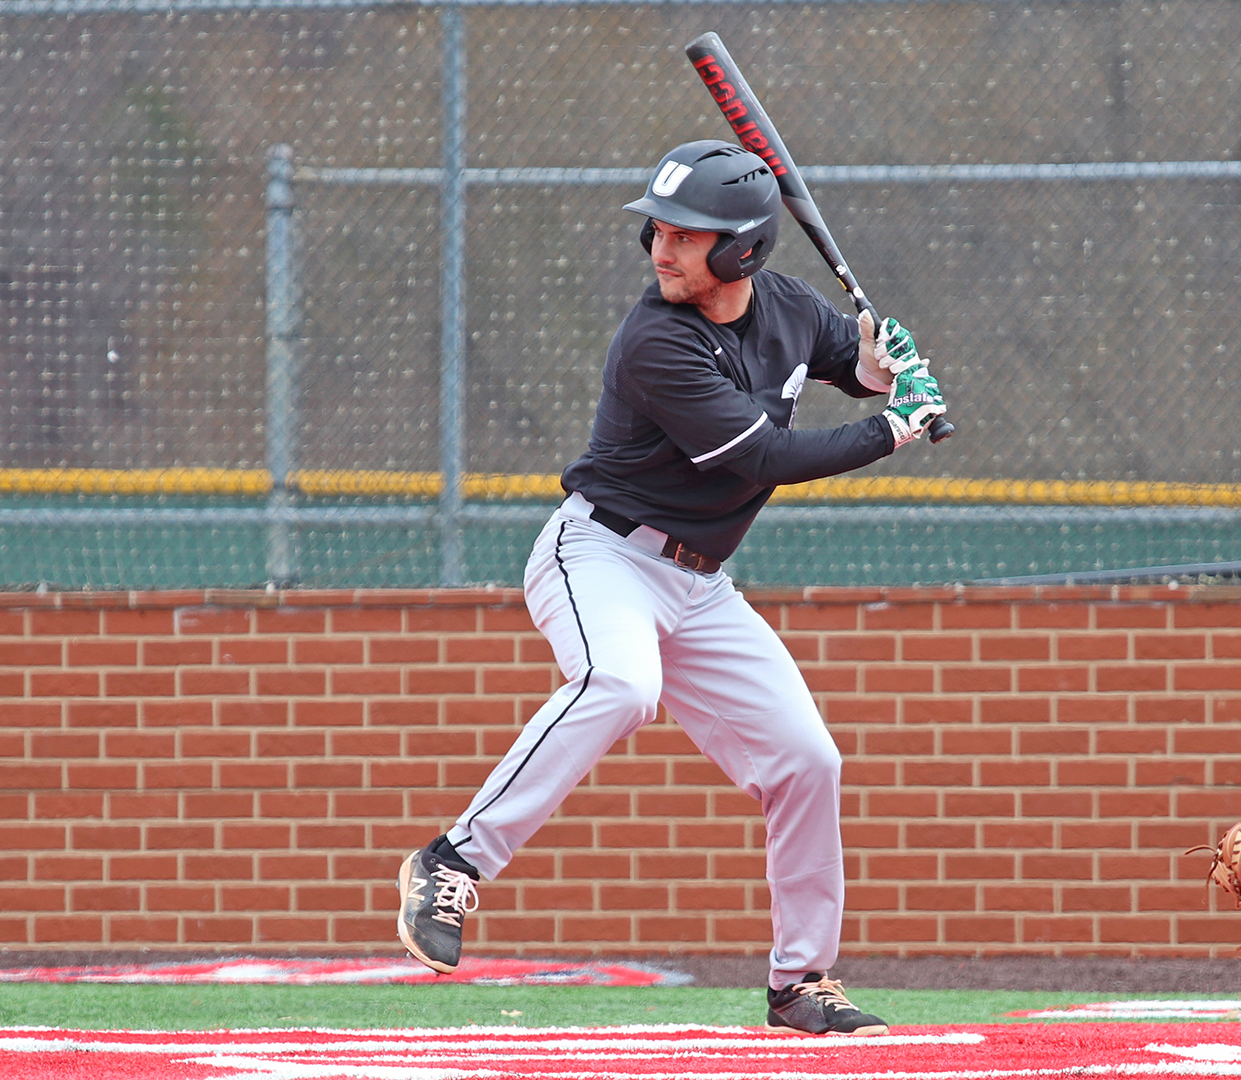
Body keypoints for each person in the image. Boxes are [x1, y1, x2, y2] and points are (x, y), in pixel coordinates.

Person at [392, 139, 947, 1036]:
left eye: (688, 236)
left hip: (702, 586)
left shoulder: (791, 309)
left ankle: (801, 981)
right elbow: (766, 457)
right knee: (621, 683)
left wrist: (887, 365)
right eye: (659, 229)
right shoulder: (656, 341)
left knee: (809, 762)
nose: (662, 247)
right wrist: (894, 428)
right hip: (603, 557)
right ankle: (451, 859)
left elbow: (850, 360)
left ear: (742, 252)